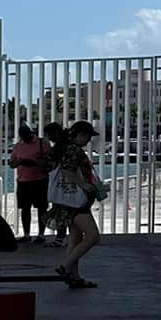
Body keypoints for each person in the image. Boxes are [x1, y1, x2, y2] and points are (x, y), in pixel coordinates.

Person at [50, 120, 102, 290]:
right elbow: (67, 170)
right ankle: (66, 267)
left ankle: (75, 277)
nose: (88, 141)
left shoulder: (66, 148)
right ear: (80, 135)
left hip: (67, 201)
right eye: (87, 137)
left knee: (75, 239)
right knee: (93, 237)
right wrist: (84, 185)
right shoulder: (73, 149)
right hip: (76, 202)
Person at [8, 118, 50, 242]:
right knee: (25, 209)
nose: (24, 139)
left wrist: (34, 162)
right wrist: (19, 162)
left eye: (26, 136)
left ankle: (41, 234)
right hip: (23, 181)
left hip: (40, 180)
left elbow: (49, 160)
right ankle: (26, 234)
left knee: (42, 208)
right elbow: (12, 163)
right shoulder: (18, 146)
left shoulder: (42, 143)